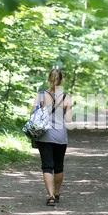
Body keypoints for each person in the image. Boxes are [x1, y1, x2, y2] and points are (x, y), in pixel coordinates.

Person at [30, 68, 72, 206]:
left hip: (44, 136)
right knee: (59, 166)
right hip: (60, 137)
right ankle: (58, 192)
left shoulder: (41, 95)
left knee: (47, 166)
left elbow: (32, 114)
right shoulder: (66, 97)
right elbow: (69, 120)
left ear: (48, 79)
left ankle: (51, 196)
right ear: (61, 80)